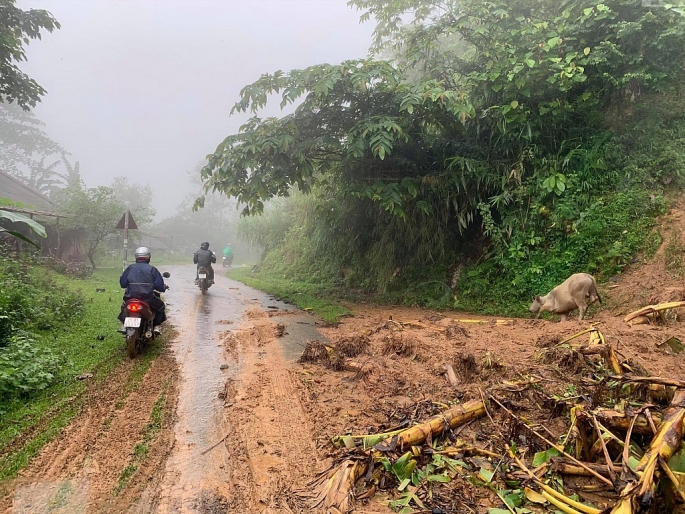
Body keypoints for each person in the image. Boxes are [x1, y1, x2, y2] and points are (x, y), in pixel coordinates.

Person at [118, 247, 167, 334]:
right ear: (148, 257)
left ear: (136, 257)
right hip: (147, 298)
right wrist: (163, 287)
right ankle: (156, 326)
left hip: (130, 297)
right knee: (160, 306)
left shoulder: (130, 268)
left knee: (124, 306)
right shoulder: (152, 269)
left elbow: (123, 283)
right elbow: (159, 286)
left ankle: (124, 325)